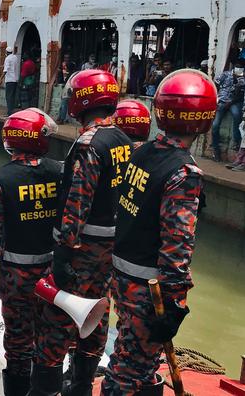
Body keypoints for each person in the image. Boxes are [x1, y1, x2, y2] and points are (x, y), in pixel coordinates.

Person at [102, 70, 217, 394]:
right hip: (148, 289)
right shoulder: (184, 171)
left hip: (123, 276)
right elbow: (177, 245)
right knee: (131, 372)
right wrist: (174, 303)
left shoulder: (142, 153)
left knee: (130, 360)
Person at [32, 68, 131, 396]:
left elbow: (78, 200)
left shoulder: (89, 143)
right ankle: (82, 387)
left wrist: (63, 250)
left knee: (56, 324)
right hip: (111, 249)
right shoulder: (123, 140)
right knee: (97, 316)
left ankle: (45, 390)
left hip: (83, 248)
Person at [0, 108, 63, 396]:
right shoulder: (60, 171)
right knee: (50, 340)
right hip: (55, 275)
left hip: (15, 277)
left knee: (17, 344)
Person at [211, 63, 245, 161]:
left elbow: (241, 95)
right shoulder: (225, 74)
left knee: (237, 115)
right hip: (222, 100)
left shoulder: (243, 79)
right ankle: (215, 149)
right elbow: (215, 84)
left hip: (233, 102)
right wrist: (216, 98)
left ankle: (236, 141)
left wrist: (231, 102)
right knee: (215, 125)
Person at [3, 47, 20, 113]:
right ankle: (11, 111)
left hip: (9, 80)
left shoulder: (7, 59)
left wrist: (0, 79)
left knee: (8, 96)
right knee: (13, 96)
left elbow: (5, 70)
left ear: (6, 52)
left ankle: (9, 112)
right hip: (15, 80)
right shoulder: (15, 57)